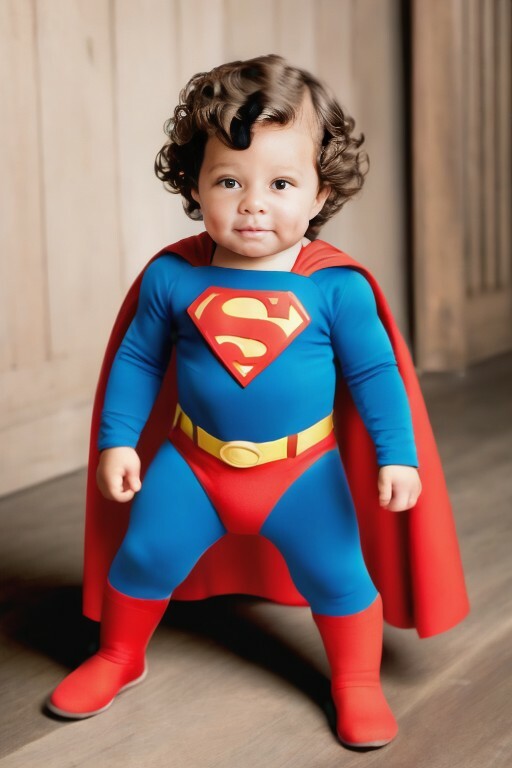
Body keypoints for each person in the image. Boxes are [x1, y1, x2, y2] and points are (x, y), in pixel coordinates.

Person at [47, 54, 468, 749]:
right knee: (144, 557)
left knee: (340, 578)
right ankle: (119, 655)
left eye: (280, 183)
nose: (253, 203)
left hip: (303, 473)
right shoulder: (172, 278)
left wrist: (398, 455)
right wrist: (118, 440)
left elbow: (376, 376)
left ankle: (356, 682)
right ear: (194, 184)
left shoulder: (337, 289)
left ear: (320, 192)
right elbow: (138, 360)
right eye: (229, 181)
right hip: (194, 465)